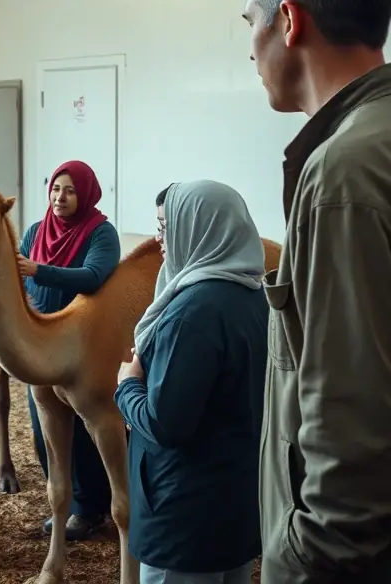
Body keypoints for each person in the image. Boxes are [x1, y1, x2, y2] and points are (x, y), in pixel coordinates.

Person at [237, 0, 391, 582]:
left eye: (252, 22)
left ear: (290, 22)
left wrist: (301, 560)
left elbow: (349, 415)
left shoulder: (344, 175)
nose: (249, 47)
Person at [116, 180, 267, 584]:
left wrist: (127, 387)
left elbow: (166, 424)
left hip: (184, 516)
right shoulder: (255, 297)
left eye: (166, 225)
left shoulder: (192, 313)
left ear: (200, 226)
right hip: (234, 502)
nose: (157, 238)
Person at [15, 160, 121, 540]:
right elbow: (19, 281)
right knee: (45, 429)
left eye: (70, 190)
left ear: (86, 193)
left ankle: (92, 508)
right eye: (56, 188)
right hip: (41, 345)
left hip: (83, 348)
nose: (60, 197)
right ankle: (68, 503)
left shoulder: (100, 233)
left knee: (85, 428)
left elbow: (94, 277)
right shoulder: (35, 231)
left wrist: (38, 270)